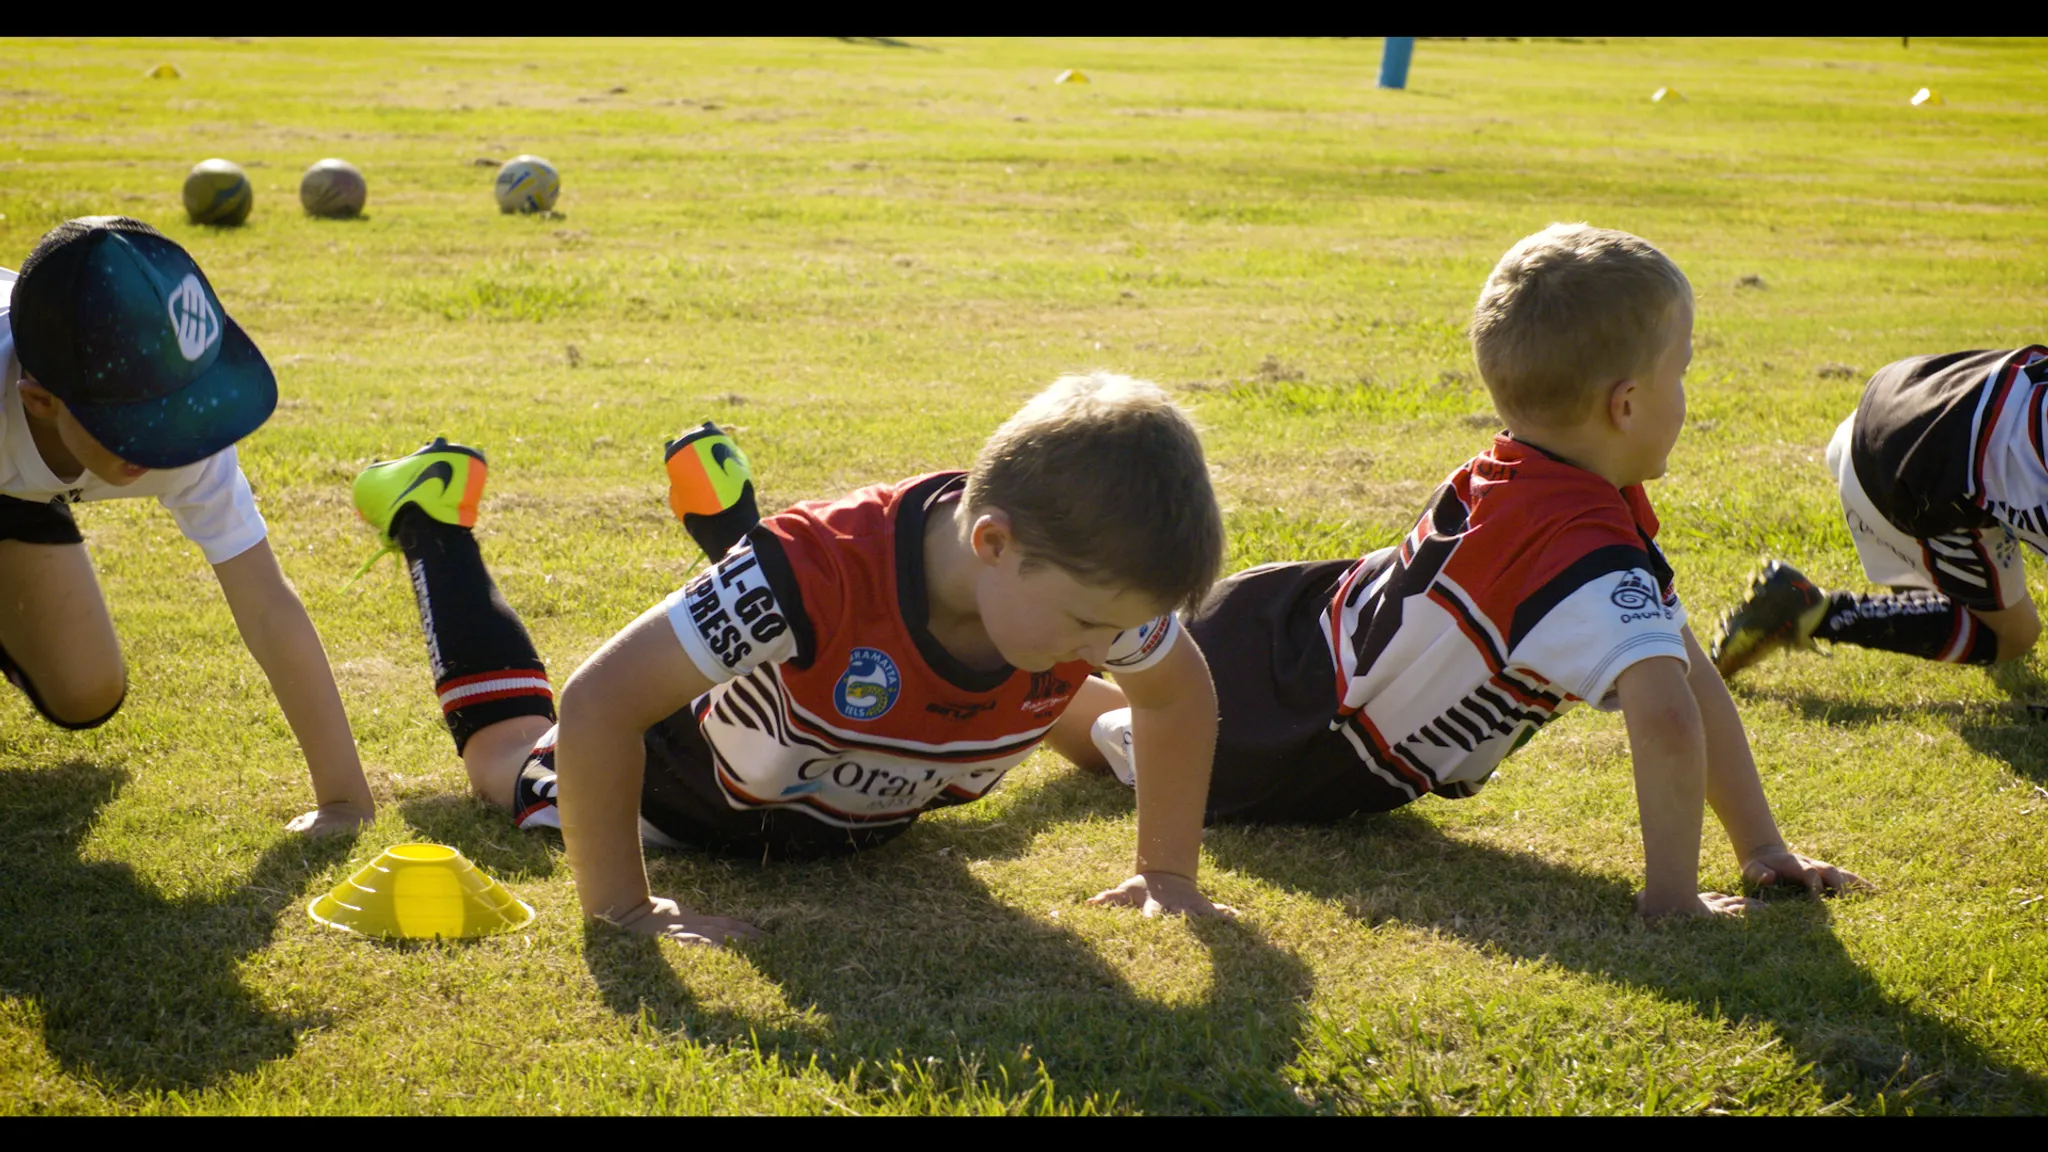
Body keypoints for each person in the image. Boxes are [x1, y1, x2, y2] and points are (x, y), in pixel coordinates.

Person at [1077, 224, 1862, 918]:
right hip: (1270, 733)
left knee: (1111, 691)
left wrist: (1762, 846)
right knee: (1097, 711)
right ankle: (1027, 676)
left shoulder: (1543, 481)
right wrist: (1673, 898)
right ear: (1625, 406)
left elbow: (1689, 678)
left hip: (1276, 635)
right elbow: (1668, 719)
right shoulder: (1584, 548)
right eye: (1681, 372)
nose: (1687, 396)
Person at [354, 373, 1230, 944]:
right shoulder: (810, 577)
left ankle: (726, 516)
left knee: (1020, 682)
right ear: (992, 543)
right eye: (1089, 628)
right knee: (504, 756)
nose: (1105, 652)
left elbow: (1176, 697)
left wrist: (1165, 872)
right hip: (684, 795)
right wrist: (624, 907)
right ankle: (432, 519)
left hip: (845, 746)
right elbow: (597, 706)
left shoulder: (1086, 593)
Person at [1, 216, 372, 834]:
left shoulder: (184, 436)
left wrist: (344, 800)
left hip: (21, 487)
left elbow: (267, 606)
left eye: (173, 406)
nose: (163, 439)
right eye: (130, 420)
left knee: (86, 690)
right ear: (41, 401)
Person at [1711, 347, 2048, 677]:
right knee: (2012, 636)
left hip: (1897, 397)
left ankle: (1928, 592)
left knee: (1968, 599)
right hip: (1896, 471)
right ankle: (1806, 610)